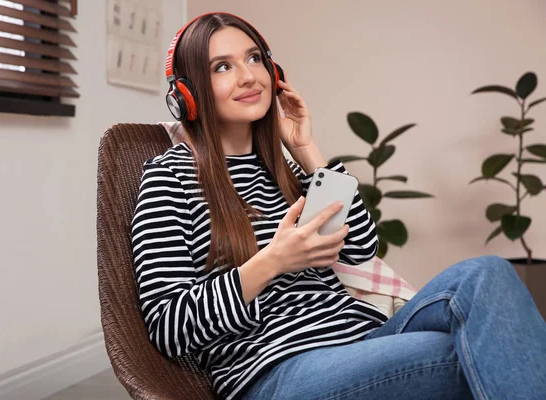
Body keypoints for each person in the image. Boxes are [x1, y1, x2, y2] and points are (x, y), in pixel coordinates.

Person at [130, 12, 546, 400]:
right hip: (278, 371)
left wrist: (308, 151)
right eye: (222, 67)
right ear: (186, 95)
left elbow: (360, 249)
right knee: (483, 347)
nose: (248, 76)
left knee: (488, 273)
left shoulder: (282, 167)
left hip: (363, 341)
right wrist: (271, 261)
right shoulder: (170, 178)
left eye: (254, 59)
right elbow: (171, 327)